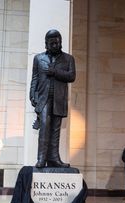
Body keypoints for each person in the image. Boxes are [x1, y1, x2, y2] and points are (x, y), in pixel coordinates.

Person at [29, 29, 76, 168]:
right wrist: (32, 95)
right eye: (52, 43)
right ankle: (41, 158)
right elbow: (35, 78)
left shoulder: (68, 59)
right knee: (44, 126)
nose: (55, 45)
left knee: (55, 130)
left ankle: (54, 159)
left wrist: (55, 72)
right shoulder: (38, 58)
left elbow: (72, 76)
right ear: (46, 44)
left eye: (58, 42)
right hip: (44, 98)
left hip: (59, 99)